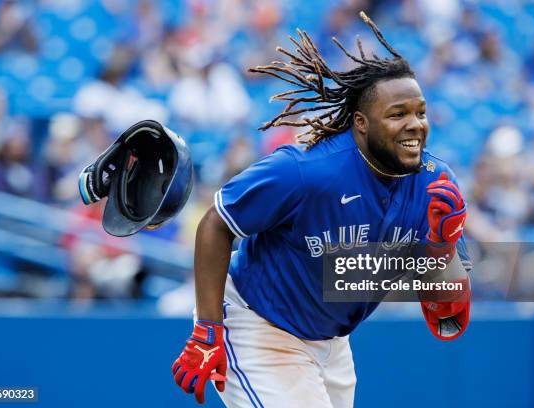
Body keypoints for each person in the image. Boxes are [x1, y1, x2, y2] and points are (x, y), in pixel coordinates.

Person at [171, 12, 472, 407]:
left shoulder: (435, 184)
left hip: (332, 344)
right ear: (361, 123)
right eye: (397, 114)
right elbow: (216, 223)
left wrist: (442, 248)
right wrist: (207, 329)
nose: (415, 124)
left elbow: (447, 319)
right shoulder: (305, 170)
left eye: (420, 112)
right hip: (260, 326)